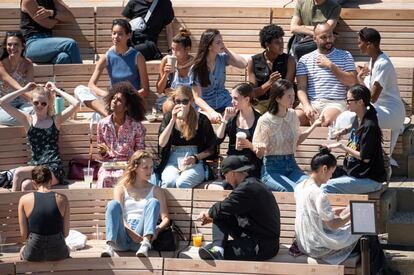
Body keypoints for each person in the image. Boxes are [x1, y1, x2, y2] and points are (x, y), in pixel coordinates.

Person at [295, 147, 400, 274]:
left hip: (306, 242)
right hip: (319, 246)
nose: (331, 177)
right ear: (324, 169)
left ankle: (381, 271)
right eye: (331, 173)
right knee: (367, 233)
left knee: (365, 233)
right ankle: (381, 272)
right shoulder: (319, 194)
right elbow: (333, 225)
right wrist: (353, 213)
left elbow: (313, 212)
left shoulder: (300, 187)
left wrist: (339, 211)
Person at [336, 28, 405, 164]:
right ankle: (359, 158)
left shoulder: (382, 63)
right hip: (378, 110)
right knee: (347, 116)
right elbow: (368, 94)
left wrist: (359, 84)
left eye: (360, 42)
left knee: (348, 117)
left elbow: (372, 98)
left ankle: (365, 158)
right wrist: (361, 79)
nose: (358, 45)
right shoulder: (373, 60)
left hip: (391, 112)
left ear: (370, 44)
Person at [196, 155, 280, 261]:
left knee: (207, 252)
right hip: (252, 236)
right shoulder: (252, 183)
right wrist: (212, 215)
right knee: (220, 215)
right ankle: (218, 248)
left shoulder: (248, 188)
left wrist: (207, 214)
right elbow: (225, 209)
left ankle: (218, 249)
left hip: (262, 245)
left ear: (232, 173)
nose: (225, 180)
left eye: (224, 175)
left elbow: (222, 207)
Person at [0, 81, 79, 191]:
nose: (39, 106)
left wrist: (56, 90)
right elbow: (2, 102)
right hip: (36, 167)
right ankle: (24, 207)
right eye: (36, 103)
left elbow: (76, 103)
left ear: (49, 104)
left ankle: (11, 206)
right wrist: (23, 90)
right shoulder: (27, 120)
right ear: (31, 102)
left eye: (43, 103)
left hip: (53, 168)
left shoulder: (55, 120)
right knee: (25, 185)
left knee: (18, 173)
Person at [253, 79, 321, 192]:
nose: (292, 99)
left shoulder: (293, 115)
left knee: (312, 188)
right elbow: (259, 153)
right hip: (272, 169)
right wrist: (260, 148)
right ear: (277, 98)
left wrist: (314, 126)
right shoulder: (265, 120)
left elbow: (296, 141)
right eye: (288, 96)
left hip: (291, 164)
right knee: (293, 190)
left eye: (293, 95)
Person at [74, 19, 149, 117]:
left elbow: (145, 90)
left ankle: (112, 116)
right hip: (112, 100)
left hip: (130, 101)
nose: (116, 37)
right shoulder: (107, 56)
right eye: (114, 33)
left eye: (120, 34)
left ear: (129, 35)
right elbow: (91, 85)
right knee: (79, 89)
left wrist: (126, 97)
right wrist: (106, 94)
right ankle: (109, 115)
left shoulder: (137, 57)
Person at [101, 150, 170, 258]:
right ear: (135, 168)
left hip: (142, 236)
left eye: (151, 167)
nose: (150, 171)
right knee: (113, 204)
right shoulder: (121, 188)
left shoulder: (157, 190)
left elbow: (165, 218)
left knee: (153, 202)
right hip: (122, 234)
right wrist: (130, 232)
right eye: (145, 167)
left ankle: (146, 245)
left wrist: (157, 229)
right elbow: (119, 214)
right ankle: (109, 246)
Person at [323, 84, 386, 194]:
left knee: (326, 187)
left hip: (369, 180)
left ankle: (334, 211)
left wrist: (342, 146)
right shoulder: (360, 116)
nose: (346, 104)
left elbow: (365, 158)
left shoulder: (369, 126)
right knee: (320, 178)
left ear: (360, 102)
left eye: (349, 101)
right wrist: (343, 131)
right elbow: (353, 126)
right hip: (355, 173)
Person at [295, 23, 357, 127]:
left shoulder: (345, 55)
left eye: (330, 36)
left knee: (325, 122)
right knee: (293, 120)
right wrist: (306, 106)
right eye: (323, 37)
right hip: (311, 102)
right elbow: (301, 88)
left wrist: (331, 66)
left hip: (335, 102)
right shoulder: (304, 60)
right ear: (315, 39)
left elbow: (352, 81)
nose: (328, 40)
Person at [158, 86, 216, 188]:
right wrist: (172, 120)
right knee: (168, 182)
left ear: (191, 101)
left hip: (194, 158)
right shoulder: (169, 117)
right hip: (173, 157)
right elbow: (162, 143)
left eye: (185, 101)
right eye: (178, 101)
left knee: (182, 183)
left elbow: (212, 149)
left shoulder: (201, 119)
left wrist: (195, 158)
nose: (181, 105)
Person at [96, 81, 146, 188]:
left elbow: (140, 152)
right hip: (109, 165)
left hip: (129, 165)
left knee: (123, 177)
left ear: (126, 107)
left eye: (119, 100)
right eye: (113, 98)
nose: (114, 101)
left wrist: (132, 164)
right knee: (105, 178)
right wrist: (103, 152)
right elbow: (101, 153)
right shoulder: (102, 124)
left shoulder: (136, 126)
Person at [191, 29, 247, 123]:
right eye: (218, 42)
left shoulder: (222, 58)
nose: (222, 44)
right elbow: (197, 98)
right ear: (209, 46)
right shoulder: (197, 68)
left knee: (239, 113)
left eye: (222, 41)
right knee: (211, 119)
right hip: (207, 104)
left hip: (224, 101)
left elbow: (243, 64)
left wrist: (225, 49)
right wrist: (211, 112)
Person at [18, 165, 70, 261]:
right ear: (50, 181)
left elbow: (24, 235)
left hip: (33, 252)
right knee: (68, 249)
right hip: (58, 251)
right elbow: (66, 233)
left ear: (33, 183)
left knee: (22, 250)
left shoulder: (24, 199)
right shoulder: (63, 199)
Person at [216, 83, 262, 178]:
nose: (232, 102)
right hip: (232, 161)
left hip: (250, 162)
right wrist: (225, 119)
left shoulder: (260, 120)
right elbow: (218, 139)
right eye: (232, 98)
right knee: (228, 170)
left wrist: (249, 145)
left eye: (236, 98)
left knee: (247, 172)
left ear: (247, 99)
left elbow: (262, 151)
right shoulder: (231, 117)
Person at [247, 24, 296, 114]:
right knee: (253, 115)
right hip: (260, 103)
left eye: (282, 42)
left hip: (281, 102)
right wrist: (269, 83)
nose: (281, 45)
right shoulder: (253, 61)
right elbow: (253, 93)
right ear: (267, 44)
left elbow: (288, 88)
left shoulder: (289, 60)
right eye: (277, 42)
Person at [20, 0, 82, 64]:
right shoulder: (28, 1)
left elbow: (69, 16)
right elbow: (49, 24)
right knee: (70, 43)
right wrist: (59, 17)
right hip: (32, 44)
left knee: (64, 58)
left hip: (48, 44)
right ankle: (82, 72)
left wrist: (51, 13)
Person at [156, 28, 194, 113]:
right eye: (172, 49)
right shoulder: (166, 60)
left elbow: (199, 91)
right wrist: (165, 75)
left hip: (190, 99)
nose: (173, 53)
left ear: (187, 49)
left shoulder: (195, 64)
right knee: (171, 106)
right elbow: (159, 90)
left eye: (177, 50)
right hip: (172, 99)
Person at [0, 31, 34, 126]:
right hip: (3, 105)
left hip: (22, 104)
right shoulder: (1, 64)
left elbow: (30, 87)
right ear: (5, 46)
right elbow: (17, 87)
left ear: (22, 46)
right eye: (9, 45)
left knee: (36, 111)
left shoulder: (28, 64)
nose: (12, 48)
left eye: (16, 44)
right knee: (32, 116)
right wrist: (36, 99)